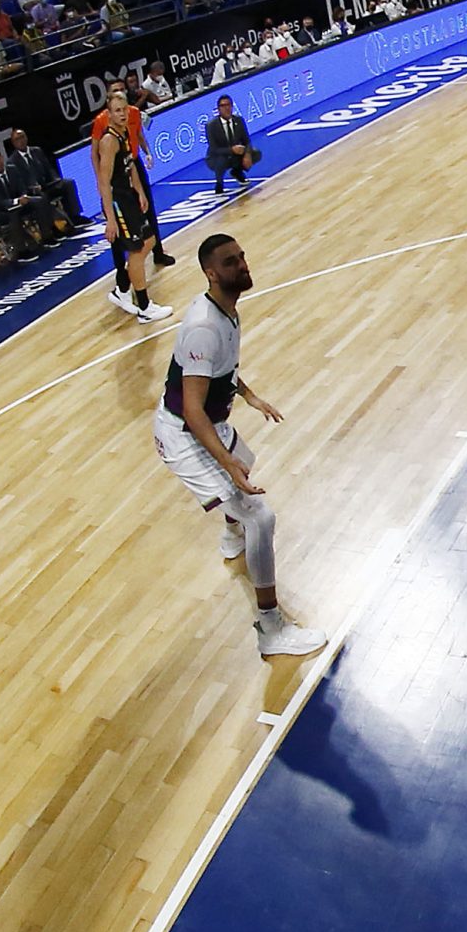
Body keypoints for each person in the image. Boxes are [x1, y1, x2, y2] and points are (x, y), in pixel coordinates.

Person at [151, 234, 326, 658]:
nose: (243, 265)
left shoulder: (225, 310)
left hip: (206, 420)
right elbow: (192, 409)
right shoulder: (203, 328)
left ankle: (232, 533)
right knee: (261, 518)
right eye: (231, 262)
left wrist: (250, 397)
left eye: (243, 256)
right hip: (184, 433)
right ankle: (271, 629)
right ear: (211, 273)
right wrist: (226, 463)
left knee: (246, 464)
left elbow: (223, 368)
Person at [94, 89, 173, 325]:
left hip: (128, 196)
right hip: (117, 201)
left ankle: (122, 289)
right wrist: (110, 219)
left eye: (124, 110)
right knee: (137, 249)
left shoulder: (126, 133)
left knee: (149, 241)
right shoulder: (109, 141)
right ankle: (145, 308)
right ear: (109, 114)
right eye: (117, 111)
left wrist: (139, 191)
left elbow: (130, 166)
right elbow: (103, 182)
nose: (122, 114)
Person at [5, 129, 77, 235]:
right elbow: (18, 185)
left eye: (22, 137)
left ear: (26, 138)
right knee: (41, 197)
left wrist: (55, 179)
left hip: (46, 185)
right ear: (13, 143)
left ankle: (75, 217)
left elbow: (49, 169)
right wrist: (31, 189)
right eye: (17, 139)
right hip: (32, 193)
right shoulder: (12, 162)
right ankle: (53, 228)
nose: (21, 141)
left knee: (68, 183)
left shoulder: (37, 151)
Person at [205, 95, 259, 194]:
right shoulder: (211, 125)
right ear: (218, 109)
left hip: (235, 153)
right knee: (221, 160)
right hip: (217, 156)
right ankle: (219, 183)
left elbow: (247, 141)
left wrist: (247, 154)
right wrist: (231, 150)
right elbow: (214, 149)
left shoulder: (239, 120)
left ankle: (237, 172)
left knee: (255, 153)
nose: (226, 108)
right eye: (223, 106)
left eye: (228, 105)